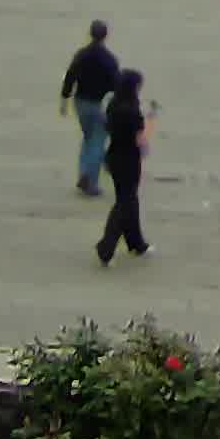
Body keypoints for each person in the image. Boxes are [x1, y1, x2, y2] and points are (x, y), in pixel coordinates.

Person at [95, 68, 152, 263]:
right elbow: (140, 139)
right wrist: (150, 121)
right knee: (125, 202)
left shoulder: (113, 104)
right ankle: (106, 245)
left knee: (128, 199)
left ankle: (136, 242)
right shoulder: (132, 111)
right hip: (129, 159)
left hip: (114, 154)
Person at [59, 19, 121, 195]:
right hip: (99, 103)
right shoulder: (109, 59)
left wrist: (64, 99)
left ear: (90, 33)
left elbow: (70, 76)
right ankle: (90, 179)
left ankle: (83, 173)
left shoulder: (81, 54)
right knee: (98, 141)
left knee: (88, 138)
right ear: (105, 35)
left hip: (80, 102)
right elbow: (116, 84)